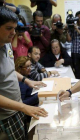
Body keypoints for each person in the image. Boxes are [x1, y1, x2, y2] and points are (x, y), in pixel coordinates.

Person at [0, 7, 47, 140]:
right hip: (6, 116)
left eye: (15, 28)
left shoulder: (7, 43)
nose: (13, 33)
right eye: (9, 28)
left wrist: (27, 80)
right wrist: (24, 107)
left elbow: (9, 71)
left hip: (17, 107)